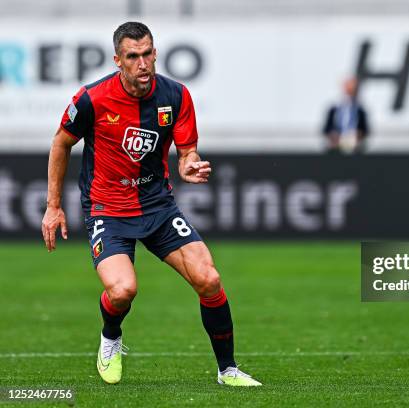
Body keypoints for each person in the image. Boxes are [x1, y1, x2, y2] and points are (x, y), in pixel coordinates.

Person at [40, 22, 261, 387]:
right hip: (107, 209)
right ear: (118, 60)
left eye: (147, 54)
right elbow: (60, 144)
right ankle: (111, 335)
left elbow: (187, 151)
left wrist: (189, 164)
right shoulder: (91, 99)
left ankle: (228, 370)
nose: (142, 64)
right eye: (133, 56)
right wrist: (53, 206)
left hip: (157, 206)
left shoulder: (175, 95)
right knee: (123, 290)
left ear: (155, 53)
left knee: (209, 278)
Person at [322, 77, 370, 154]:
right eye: (349, 89)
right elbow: (326, 129)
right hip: (336, 144)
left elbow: (365, 130)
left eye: (353, 89)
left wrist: (358, 135)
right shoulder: (334, 109)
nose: (351, 92)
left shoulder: (360, 110)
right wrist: (333, 136)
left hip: (354, 145)